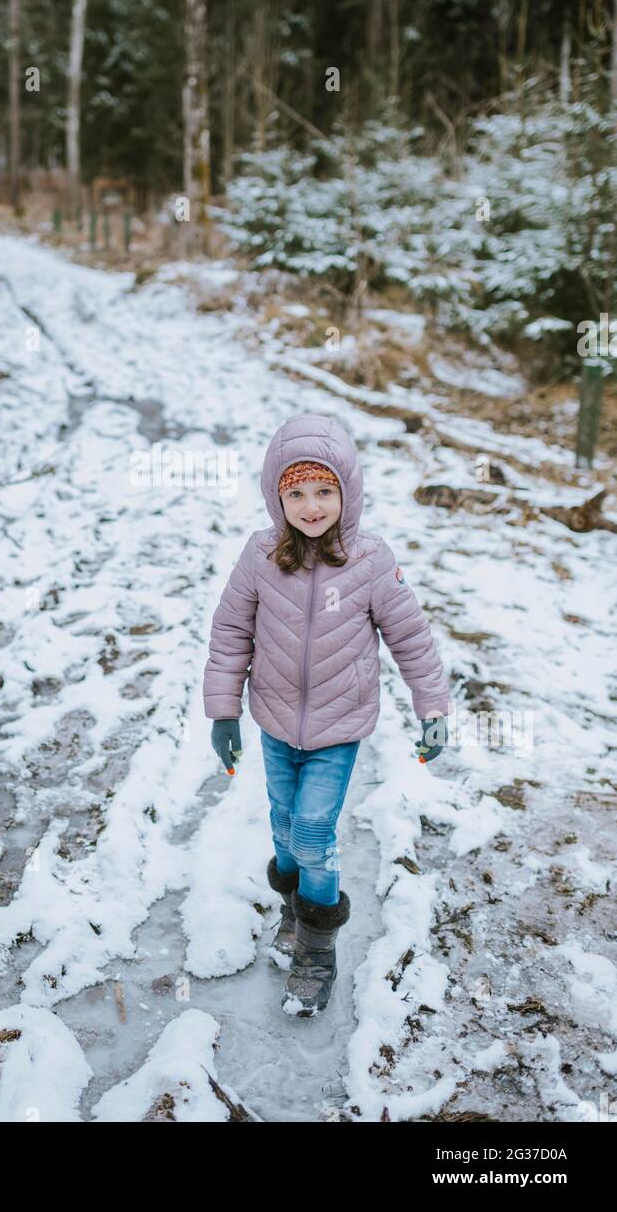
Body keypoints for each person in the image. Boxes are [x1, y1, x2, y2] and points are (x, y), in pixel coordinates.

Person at [202, 413, 453, 1018]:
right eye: (296, 492)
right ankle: (293, 905)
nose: (311, 506)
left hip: (339, 727)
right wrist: (223, 711)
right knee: (285, 824)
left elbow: (411, 636)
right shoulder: (261, 555)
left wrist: (433, 706)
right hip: (275, 718)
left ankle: (318, 948)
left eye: (324, 491)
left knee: (314, 831)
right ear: (276, 496)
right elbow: (231, 630)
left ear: (348, 492)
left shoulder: (369, 560)